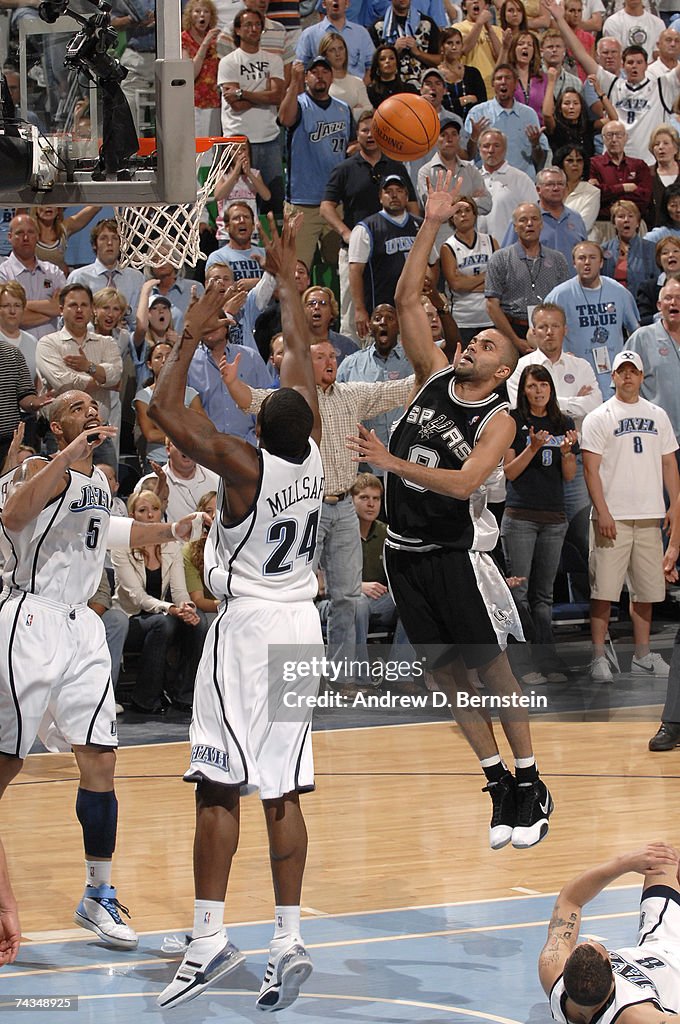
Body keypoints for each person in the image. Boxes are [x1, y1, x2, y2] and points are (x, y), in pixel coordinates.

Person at [346, 173, 555, 852]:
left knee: (490, 670)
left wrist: (390, 461)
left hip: (457, 558)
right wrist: (431, 221)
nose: (470, 345)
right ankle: (496, 781)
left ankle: (530, 780)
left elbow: (465, 482)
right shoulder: (434, 375)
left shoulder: (500, 418)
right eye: (471, 342)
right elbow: (408, 296)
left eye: (486, 346)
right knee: (443, 675)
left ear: (502, 373)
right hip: (407, 556)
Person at [150, 214, 323, 1011]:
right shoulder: (313, 451)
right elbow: (300, 368)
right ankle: (288, 939)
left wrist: (188, 336)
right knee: (282, 788)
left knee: (217, 783)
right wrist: (288, 284)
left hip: (250, 629)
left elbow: (162, 410)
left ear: (258, 425)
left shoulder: (243, 466)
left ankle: (211, 939)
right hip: (304, 629)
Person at [0, 390, 208, 951]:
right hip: (30, 619)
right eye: (74, 407)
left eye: (93, 404)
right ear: (55, 426)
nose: (90, 409)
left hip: (82, 630)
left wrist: (171, 531)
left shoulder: (97, 484)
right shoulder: (38, 469)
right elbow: (14, 516)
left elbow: (108, 532)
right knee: (7, 762)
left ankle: (98, 894)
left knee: (100, 759)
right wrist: (67, 454)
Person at [581, 350, 679, 683]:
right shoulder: (599, 416)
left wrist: (674, 503)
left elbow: (669, 463)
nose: (627, 376)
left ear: (641, 376)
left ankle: (642, 655)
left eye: (632, 371)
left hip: (649, 515)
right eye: (621, 371)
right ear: (613, 377)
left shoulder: (658, 415)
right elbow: (591, 470)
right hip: (613, 517)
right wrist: (603, 510)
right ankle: (597, 657)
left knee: (646, 592)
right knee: (604, 591)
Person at [538, 841, 680, 1024]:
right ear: (612, 976)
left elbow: (570, 899)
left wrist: (624, 863)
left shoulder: (552, 970)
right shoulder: (634, 1015)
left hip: (657, 940)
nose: (588, 939)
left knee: (662, 858)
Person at [501, 364, 579, 685]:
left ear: (551, 388)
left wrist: (567, 453)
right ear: (524, 389)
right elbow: (510, 472)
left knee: (544, 597)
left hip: (554, 518)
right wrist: (532, 448)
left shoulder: (564, 423)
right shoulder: (514, 421)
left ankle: (548, 660)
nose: (539, 391)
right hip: (520, 517)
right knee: (518, 594)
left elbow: (569, 475)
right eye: (532, 386)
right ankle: (521, 664)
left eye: (543, 385)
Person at [111, 489, 208, 715]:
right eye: (143, 510)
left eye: (155, 509)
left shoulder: (171, 545)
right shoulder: (120, 547)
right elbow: (137, 597)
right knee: (163, 623)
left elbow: (179, 589)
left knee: (198, 622)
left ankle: (185, 695)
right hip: (131, 616)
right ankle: (145, 698)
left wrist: (187, 608)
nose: (151, 515)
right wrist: (171, 609)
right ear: (133, 516)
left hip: (164, 613)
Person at [545, 241, 640, 393]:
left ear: (601, 262)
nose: (587, 262)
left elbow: (636, 332)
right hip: (575, 379)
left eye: (592, 257)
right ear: (574, 263)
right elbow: (537, 332)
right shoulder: (559, 295)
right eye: (581, 258)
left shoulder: (618, 292)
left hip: (614, 378)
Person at [485, 202, 570, 354]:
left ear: (542, 224)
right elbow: (492, 305)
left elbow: (565, 303)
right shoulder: (500, 258)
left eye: (534, 219)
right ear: (515, 226)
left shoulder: (558, 259)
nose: (529, 224)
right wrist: (515, 340)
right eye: (523, 220)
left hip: (549, 331)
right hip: (512, 329)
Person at [348, 174, 423, 339]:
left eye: (399, 190)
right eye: (388, 191)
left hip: (415, 309)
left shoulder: (420, 226)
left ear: (407, 195)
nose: (394, 195)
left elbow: (432, 263)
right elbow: (355, 271)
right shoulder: (366, 228)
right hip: (380, 310)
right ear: (380, 197)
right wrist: (359, 309)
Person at [133, 340, 205, 470]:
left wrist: (168, 434)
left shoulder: (191, 394)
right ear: (149, 364)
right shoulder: (143, 396)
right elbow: (150, 434)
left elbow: (202, 428)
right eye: (158, 357)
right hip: (157, 461)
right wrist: (185, 435)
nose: (164, 360)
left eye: (169, 355)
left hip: (190, 459)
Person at [441, 195, 498, 344]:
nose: (463, 215)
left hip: (491, 317)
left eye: (467, 210)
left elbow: (499, 281)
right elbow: (457, 285)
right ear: (451, 218)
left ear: (475, 214)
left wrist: (469, 283)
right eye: (458, 212)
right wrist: (487, 277)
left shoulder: (491, 241)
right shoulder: (448, 247)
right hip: (462, 320)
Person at [476, 127, 539, 241]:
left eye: (496, 146)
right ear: (479, 150)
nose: (491, 150)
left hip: (510, 250)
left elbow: (534, 216)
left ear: (505, 149)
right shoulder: (473, 179)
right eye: (486, 146)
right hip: (478, 252)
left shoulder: (521, 179)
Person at [602, 200, 657, 297]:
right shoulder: (603, 249)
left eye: (631, 216)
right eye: (621, 216)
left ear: (637, 223)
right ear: (614, 223)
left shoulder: (651, 248)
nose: (626, 220)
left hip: (641, 304)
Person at [318, 30, 371, 120]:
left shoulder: (357, 82)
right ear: (325, 55)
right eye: (332, 50)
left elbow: (368, 111)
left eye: (341, 49)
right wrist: (352, 111)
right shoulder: (320, 83)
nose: (338, 54)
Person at [552, 145, 600, 234]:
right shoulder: (552, 190)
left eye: (579, 160)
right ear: (560, 164)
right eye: (570, 160)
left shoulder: (592, 191)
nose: (575, 164)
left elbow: (584, 225)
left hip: (581, 242)